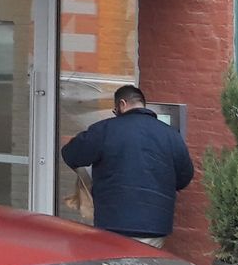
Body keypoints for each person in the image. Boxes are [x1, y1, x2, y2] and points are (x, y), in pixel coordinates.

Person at [60, 84, 193, 246]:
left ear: (122, 104)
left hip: (113, 222)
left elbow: (71, 154)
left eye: (115, 111)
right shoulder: (171, 135)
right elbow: (185, 176)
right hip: (155, 225)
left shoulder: (105, 129)